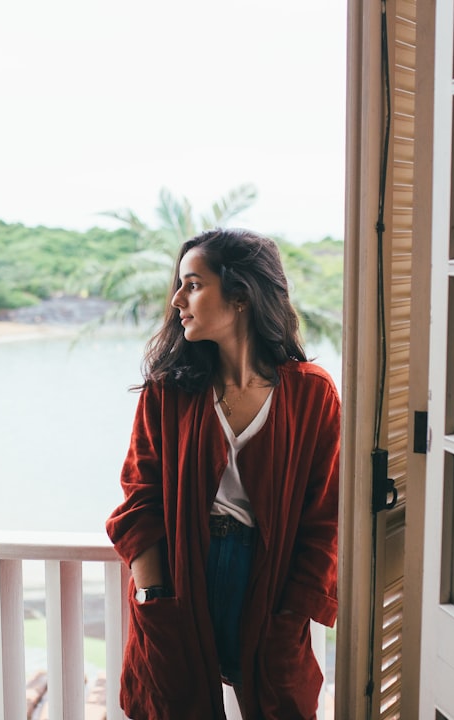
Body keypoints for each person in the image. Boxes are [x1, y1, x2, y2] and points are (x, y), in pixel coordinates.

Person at [106, 228, 341, 719]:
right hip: (183, 577)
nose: (176, 299)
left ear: (240, 295)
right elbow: (139, 503)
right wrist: (155, 595)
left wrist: (292, 613)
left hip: (268, 585)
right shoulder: (168, 393)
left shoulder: (312, 394)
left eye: (192, 284)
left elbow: (326, 520)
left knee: (283, 706)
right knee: (173, 707)